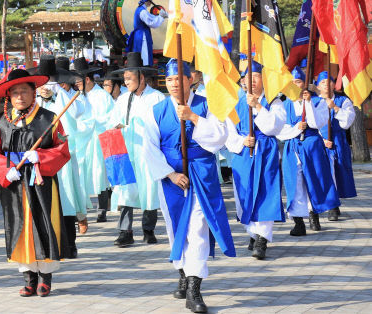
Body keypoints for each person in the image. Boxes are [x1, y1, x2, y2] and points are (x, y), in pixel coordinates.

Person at [139, 59, 234, 313]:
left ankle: (194, 288)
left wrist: (192, 117)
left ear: (190, 79)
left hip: (201, 174)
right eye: (168, 80)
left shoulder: (206, 104)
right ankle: (183, 271)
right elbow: (149, 147)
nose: (172, 84)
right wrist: (170, 174)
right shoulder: (156, 110)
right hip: (172, 177)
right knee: (176, 226)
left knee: (199, 226)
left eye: (177, 79)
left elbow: (220, 137)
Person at [0, 68, 71, 297]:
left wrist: (41, 157)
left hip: (41, 182)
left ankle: (45, 277)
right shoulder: (1, 121)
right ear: (8, 96)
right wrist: (6, 170)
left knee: (43, 224)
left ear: (34, 93)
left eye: (24, 91)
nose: (20, 96)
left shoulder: (50, 119)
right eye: (15, 92)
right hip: (14, 181)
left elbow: (63, 150)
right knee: (19, 226)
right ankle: (28, 277)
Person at [224, 61, 286, 260]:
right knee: (245, 193)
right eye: (247, 78)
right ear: (242, 81)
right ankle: (252, 232)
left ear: (263, 79)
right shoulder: (234, 103)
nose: (251, 82)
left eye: (256, 77)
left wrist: (258, 106)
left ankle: (262, 239)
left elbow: (274, 128)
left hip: (265, 152)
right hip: (243, 152)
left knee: (266, 192)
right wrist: (242, 140)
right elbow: (227, 131)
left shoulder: (274, 101)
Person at [109, 52, 164, 248]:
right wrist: (116, 127)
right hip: (126, 152)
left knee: (149, 190)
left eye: (130, 79)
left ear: (142, 78)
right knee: (125, 191)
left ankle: (148, 229)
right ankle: (126, 231)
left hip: (147, 152)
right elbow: (113, 121)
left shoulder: (157, 98)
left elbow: (162, 126)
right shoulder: (123, 100)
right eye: (124, 80)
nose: (126, 83)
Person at [34, 55, 87, 258]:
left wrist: (58, 95)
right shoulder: (35, 103)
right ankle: (48, 244)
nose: (45, 87)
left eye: (50, 83)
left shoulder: (68, 100)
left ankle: (70, 244)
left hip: (62, 157)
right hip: (39, 158)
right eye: (42, 84)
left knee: (66, 200)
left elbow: (75, 114)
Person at [277, 67, 339, 235]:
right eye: (292, 82)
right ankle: (298, 222)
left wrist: (309, 103)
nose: (295, 85)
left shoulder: (318, 101)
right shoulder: (283, 105)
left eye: (298, 82)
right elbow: (279, 129)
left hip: (312, 146)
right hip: (293, 147)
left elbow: (318, 122)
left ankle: (314, 215)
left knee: (314, 179)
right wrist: (296, 128)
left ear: (304, 84)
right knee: (295, 183)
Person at [73, 57, 113, 223]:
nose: (77, 85)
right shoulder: (77, 96)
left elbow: (109, 119)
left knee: (99, 174)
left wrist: (92, 125)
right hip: (82, 142)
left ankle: (102, 209)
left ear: (87, 79)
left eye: (79, 82)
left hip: (97, 141)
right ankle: (80, 208)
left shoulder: (102, 96)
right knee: (80, 174)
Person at [317, 71, 357, 220]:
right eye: (322, 82)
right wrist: (321, 140)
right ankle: (330, 204)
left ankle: (334, 204)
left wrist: (335, 108)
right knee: (324, 173)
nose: (326, 85)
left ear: (335, 84)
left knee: (337, 172)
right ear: (318, 85)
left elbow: (347, 122)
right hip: (320, 142)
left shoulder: (342, 101)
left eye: (330, 81)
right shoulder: (314, 101)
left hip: (338, 142)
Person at [126, 0, 168, 66]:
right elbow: (152, 23)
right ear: (149, 0)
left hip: (139, 35)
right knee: (144, 55)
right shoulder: (143, 11)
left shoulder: (140, 9)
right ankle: (145, 71)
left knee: (142, 54)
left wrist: (161, 16)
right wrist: (161, 17)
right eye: (150, 0)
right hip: (142, 36)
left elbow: (151, 17)